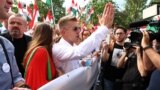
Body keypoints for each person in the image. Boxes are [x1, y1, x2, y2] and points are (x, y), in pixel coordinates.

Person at [52, 3, 114, 74]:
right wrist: (104, 27)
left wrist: (94, 58)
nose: (79, 31)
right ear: (63, 32)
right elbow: (79, 52)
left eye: (79, 28)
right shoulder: (57, 48)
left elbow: (80, 64)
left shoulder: (73, 46)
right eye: (75, 29)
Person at [0, 0, 29, 89]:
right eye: (12, 23)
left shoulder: (6, 44)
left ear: (25, 27)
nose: (11, 2)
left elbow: (15, 77)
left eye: (19, 23)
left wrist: (23, 87)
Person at [23, 23, 57, 90]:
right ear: (48, 35)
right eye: (54, 34)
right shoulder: (41, 51)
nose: (55, 37)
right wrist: (59, 79)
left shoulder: (40, 50)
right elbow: (37, 85)